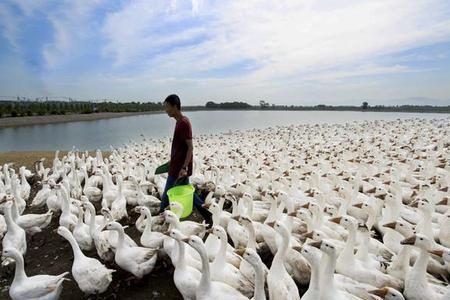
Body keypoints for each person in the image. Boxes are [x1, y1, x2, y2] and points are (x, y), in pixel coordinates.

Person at [159, 94, 211, 223]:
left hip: (179, 169)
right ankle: (208, 214)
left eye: (167, 107)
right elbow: (181, 147)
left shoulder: (184, 123)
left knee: (167, 195)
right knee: (189, 193)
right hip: (176, 165)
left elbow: (190, 147)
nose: (165, 110)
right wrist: (172, 160)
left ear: (175, 107)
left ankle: (160, 217)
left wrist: (183, 167)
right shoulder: (179, 122)